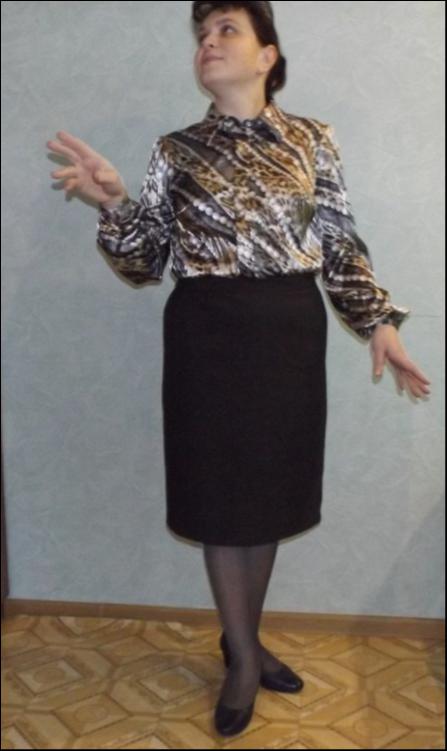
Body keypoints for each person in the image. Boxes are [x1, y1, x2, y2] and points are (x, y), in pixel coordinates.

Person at [46, 0, 431, 738]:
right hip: (207, 333)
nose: (208, 43)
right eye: (201, 34)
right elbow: (143, 262)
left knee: (268, 494)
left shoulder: (312, 140)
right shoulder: (175, 150)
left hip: (288, 330)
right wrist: (115, 201)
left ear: (267, 57)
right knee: (221, 494)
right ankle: (246, 658)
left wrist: (377, 322)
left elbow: (338, 243)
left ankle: (239, 639)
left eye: (226, 30)